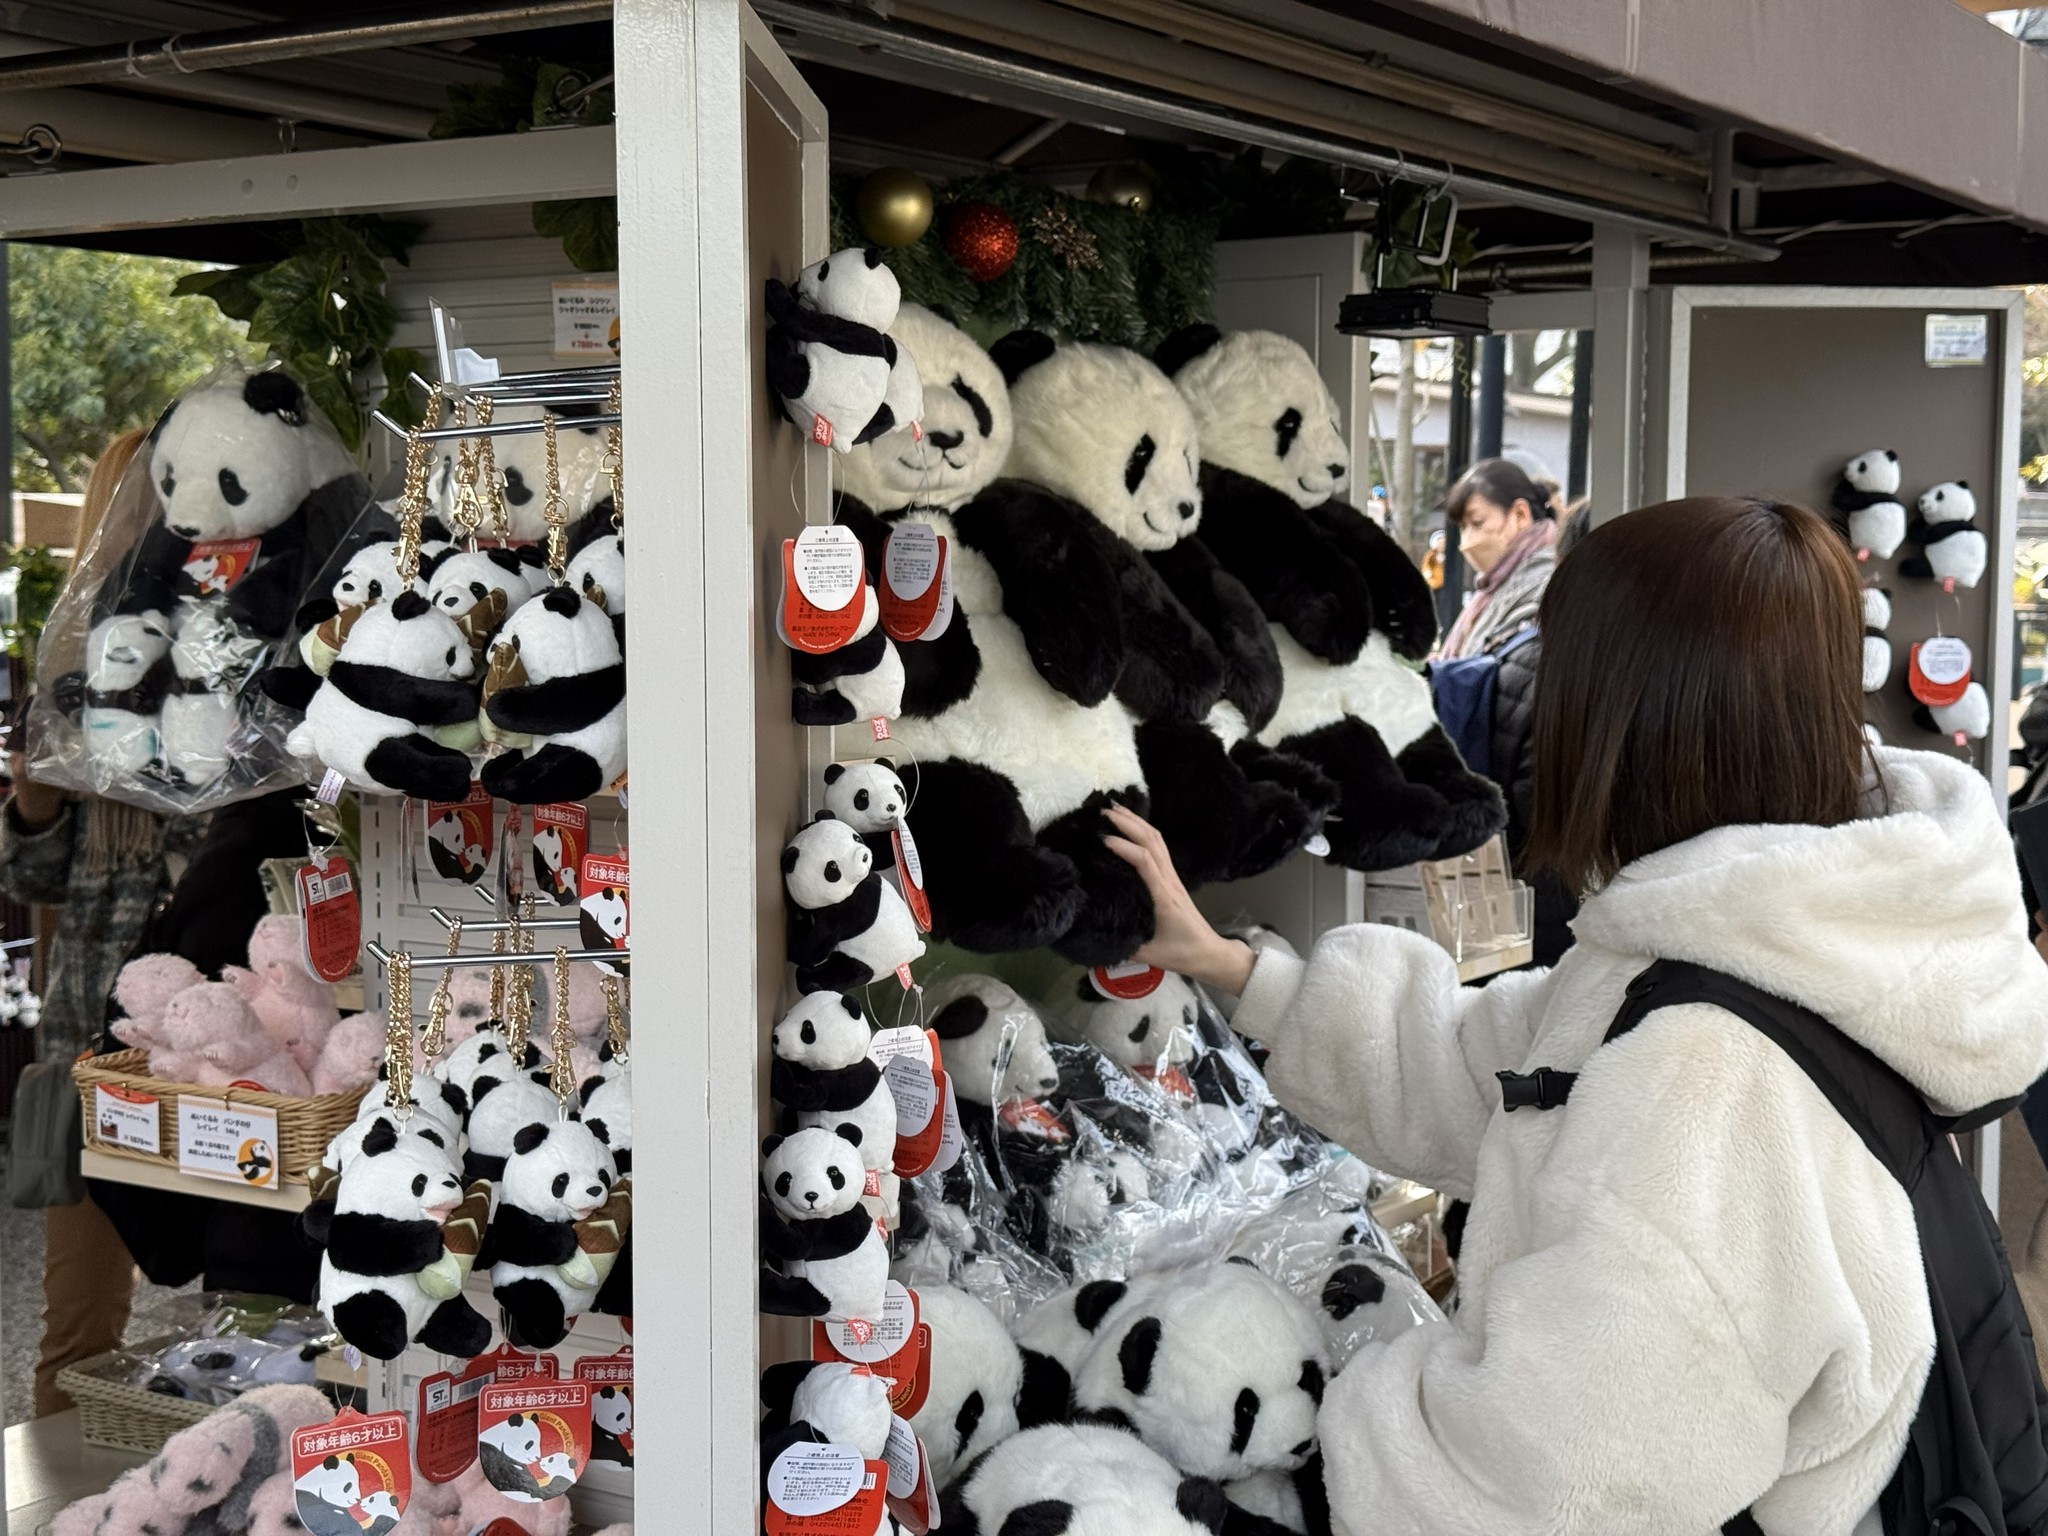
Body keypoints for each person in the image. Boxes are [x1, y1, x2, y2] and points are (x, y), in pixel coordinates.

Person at [1105, 496, 2048, 1536]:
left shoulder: (1705, 1069)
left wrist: (1313, 1420)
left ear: (1630, 710)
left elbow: (1552, 1476)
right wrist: (1237, 970)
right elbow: (1489, 1071)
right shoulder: (1759, 935)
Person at [0, 429, 202, 1415]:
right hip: (92, 1039)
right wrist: (35, 796)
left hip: (219, 1037)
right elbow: (34, 873)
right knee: (78, 1324)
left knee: (249, 1313)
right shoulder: (74, 669)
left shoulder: (227, 656)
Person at [1439, 458, 1570, 962]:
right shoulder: (1493, 592)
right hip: (1496, 805)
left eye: (1476, 522)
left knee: (1498, 965)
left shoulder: (1541, 587)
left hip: (1513, 811)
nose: (1467, 540)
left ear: (1519, 515)